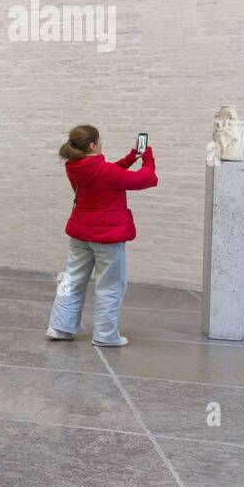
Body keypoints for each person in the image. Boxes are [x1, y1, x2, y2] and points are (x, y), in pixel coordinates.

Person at [46, 125, 158, 347]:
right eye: (100, 140)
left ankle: (59, 327)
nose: (102, 143)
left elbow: (107, 175)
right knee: (110, 285)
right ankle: (105, 335)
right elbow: (146, 179)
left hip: (80, 234)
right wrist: (147, 157)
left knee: (71, 280)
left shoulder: (74, 166)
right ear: (92, 145)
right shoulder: (104, 171)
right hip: (107, 238)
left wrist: (129, 158)